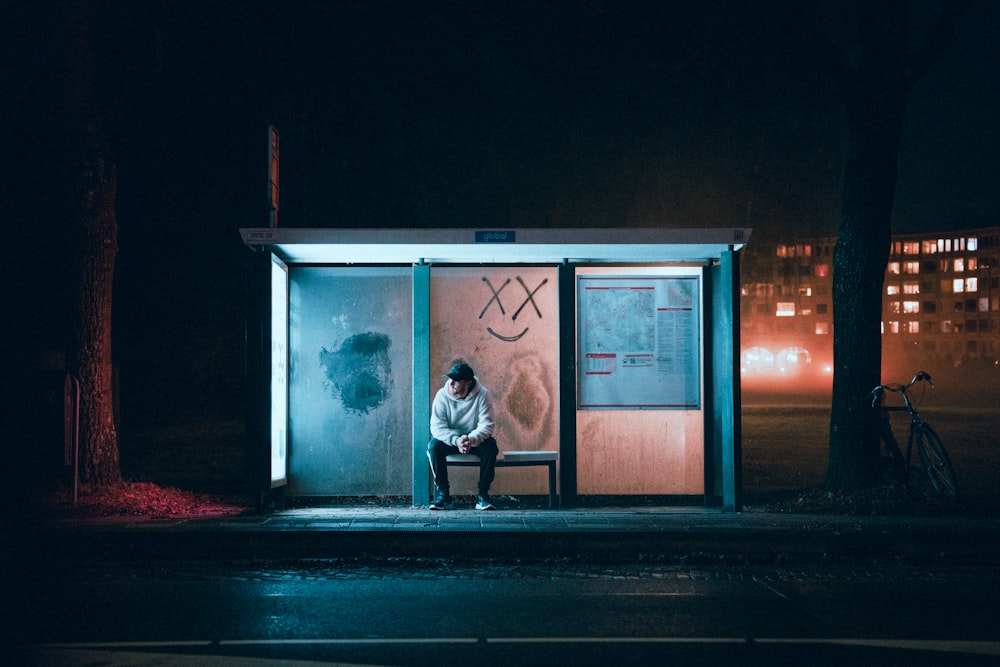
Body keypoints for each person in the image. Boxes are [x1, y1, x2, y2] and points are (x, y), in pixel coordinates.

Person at [427, 362, 499, 510]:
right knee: (433, 446)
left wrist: (470, 439)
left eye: (456, 381)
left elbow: (487, 425)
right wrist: (456, 440)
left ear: (468, 383)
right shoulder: (442, 395)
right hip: (452, 440)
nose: (451, 383)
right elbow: (437, 427)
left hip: (473, 440)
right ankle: (444, 495)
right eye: (450, 379)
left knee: (491, 446)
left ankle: (482, 496)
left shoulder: (483, 394)